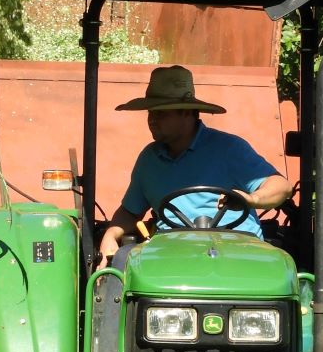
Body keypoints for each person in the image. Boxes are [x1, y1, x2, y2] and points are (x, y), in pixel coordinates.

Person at [96, 64, 293, 267]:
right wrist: (110, 235)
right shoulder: (149, 159)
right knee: (122, 262)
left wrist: (251, 199)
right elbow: (130, 211)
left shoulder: (228, 148)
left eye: (161, 113)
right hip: (171, 256)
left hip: (238, 253)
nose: (152, 120)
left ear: (187, 113)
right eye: (150, 113)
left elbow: (282, 186)